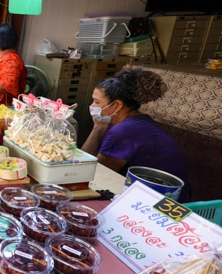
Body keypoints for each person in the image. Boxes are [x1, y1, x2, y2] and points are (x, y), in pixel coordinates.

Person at [80, 66, 189, 200]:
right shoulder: (134, 122)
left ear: (117, 105)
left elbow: (91, 172)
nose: (92, 106)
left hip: (161, 200)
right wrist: (98, 127)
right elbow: (85, 161)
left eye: (97, 102)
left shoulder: (125, 130)